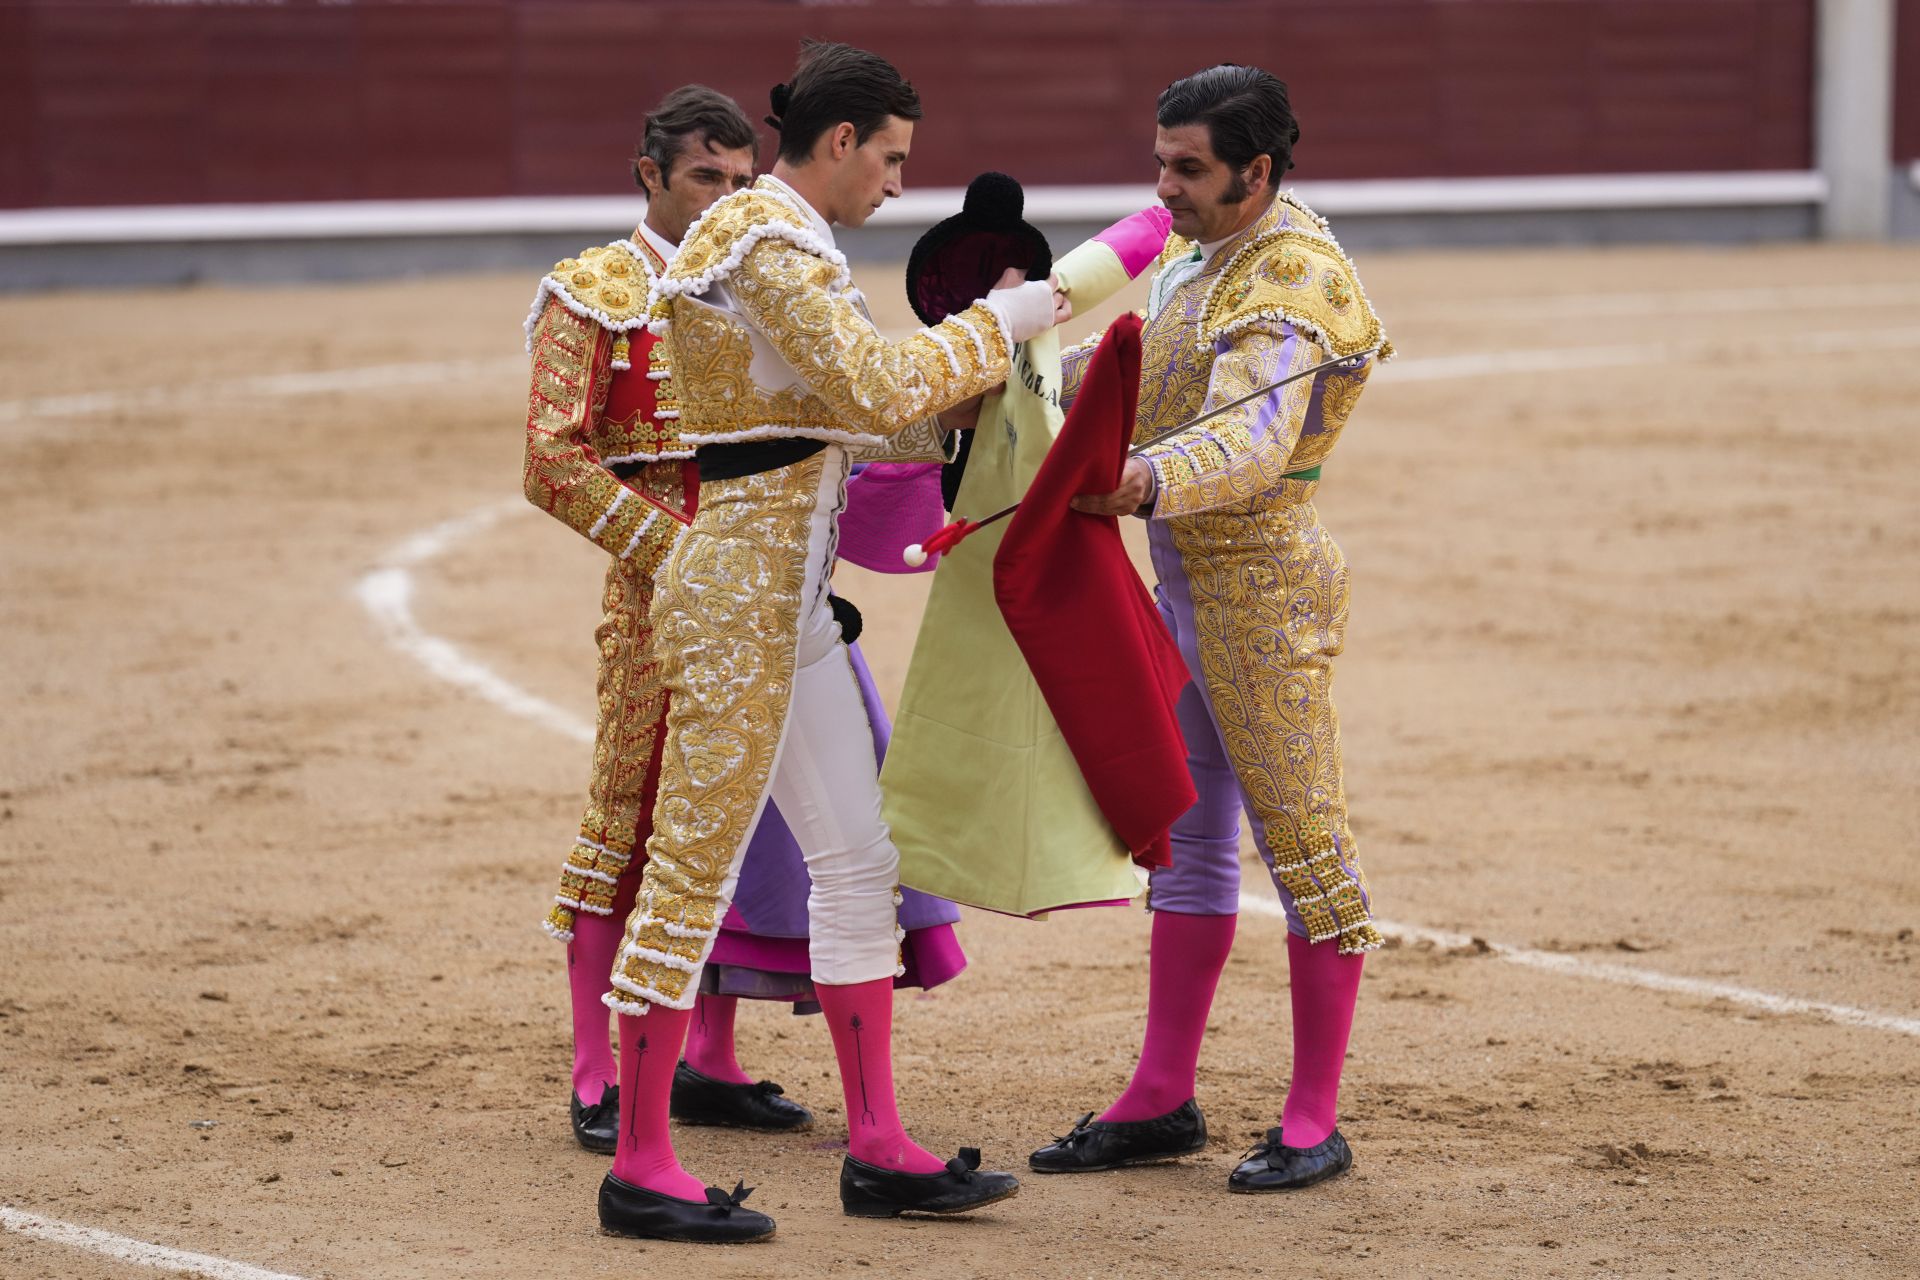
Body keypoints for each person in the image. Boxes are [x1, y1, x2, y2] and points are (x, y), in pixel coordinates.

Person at [594, 41, 1068, 1243]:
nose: (900, 185)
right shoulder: (763, 238)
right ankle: (641, 1161)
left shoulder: (779, 240)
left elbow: (834, 414)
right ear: (844, 141)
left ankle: (879, 1146)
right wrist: (1000, 320)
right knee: (692, 871)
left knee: (860, 859)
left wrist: (963, 397)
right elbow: (863, 388)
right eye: (894, 158)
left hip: (786, 606)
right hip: (735, 606)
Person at [520, 86, 966, 1161]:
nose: (723, 194)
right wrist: (685, 556)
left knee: (767, 833)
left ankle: (712, 1061)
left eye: (735, 175)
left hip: (775, 580)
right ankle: (601, 1074)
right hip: (668, 585)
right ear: (648, 176)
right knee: (638, 824)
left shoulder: (760, 269)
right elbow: (550, 462)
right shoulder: (596, 290)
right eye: (700, 179)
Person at [1027, 63, 1392, 1194]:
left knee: (1304, 844)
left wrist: (1133, 481)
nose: (1163, 188)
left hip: (1265, 593)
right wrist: (1015, 379)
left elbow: (1251, 442)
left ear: (1258, 171)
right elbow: (1141, 373)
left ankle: (1311, 1114)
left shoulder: (1292, 279)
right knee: (1187, 845)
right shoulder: (1206, 255)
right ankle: (1161, 1092)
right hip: (1184, 587)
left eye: (1188, 169)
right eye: (1161, 162)